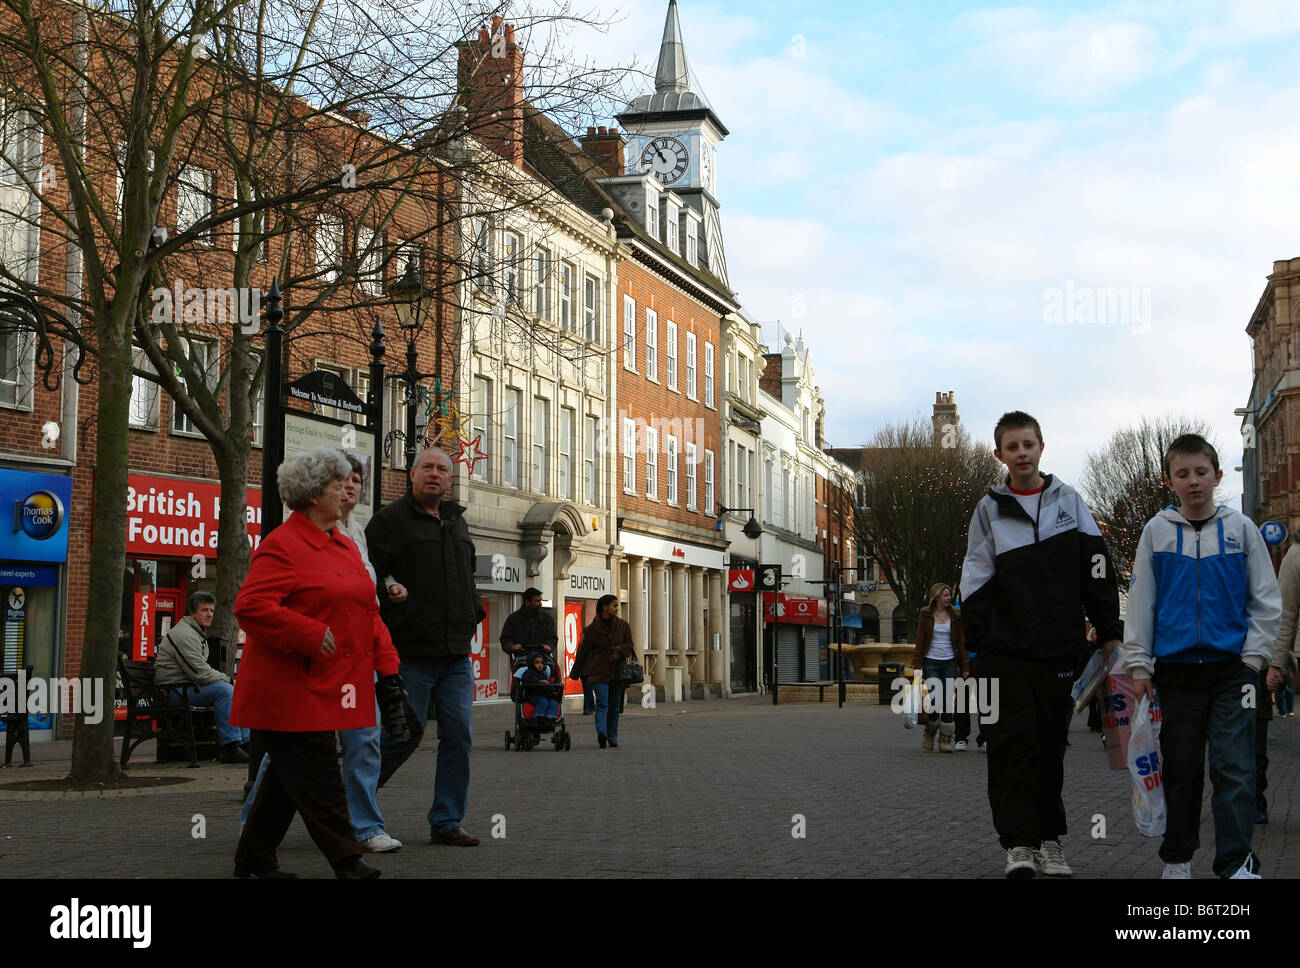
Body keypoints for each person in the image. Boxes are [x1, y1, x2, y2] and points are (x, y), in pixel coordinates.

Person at [231, 446, 410, 879]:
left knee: (285, 783)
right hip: (284, 690)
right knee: (320, 778)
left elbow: (369, 613)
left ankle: (254, 858)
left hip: (329, 685)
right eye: (336, 484)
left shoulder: (344, 545)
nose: (345, 491)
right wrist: (310, 634)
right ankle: (348, 861)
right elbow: (250, 606)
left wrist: (388, 670)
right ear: (312, 494)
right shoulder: (282, 545)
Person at [960, 411, 1121, 878]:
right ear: (1000, 455)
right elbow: (974, 579)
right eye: (1012, 447)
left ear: (1041, 447)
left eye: (1028, 444)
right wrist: (981, 646)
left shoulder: (1070, 501)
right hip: (1005, 657)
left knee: (1050, 748)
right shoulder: (988, 509)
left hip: (1059, 652)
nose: (1022, 453)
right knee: (1011, 746)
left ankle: (1049, 840)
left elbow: (1097, 569)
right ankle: (1018, 845)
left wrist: (1109, 631)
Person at [1123, 434, 1281, 879]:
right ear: (1170, 481)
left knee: (1236, 771)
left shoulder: (1241, 529)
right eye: (1182, 474)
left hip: (1233, 673)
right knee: (1182, 771)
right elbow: (1141, 602)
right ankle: (1178, 859)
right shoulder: (1155, 531)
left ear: (1216, 474)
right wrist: (1140, 665)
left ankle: (1235, 863)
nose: (1193, 481)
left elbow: (1265, 599)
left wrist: (1254, 661)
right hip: (1174, 675)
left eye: (1200, 472)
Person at [366, 446, 485, 847]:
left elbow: (466, 577)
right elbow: (372, 575)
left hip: (454, 655)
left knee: (459, 737)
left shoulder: (457, 522)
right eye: (427, 468)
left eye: (442, 469)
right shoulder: (389, 521)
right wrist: (390, 589)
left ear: (451, 480)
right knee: (400, 737)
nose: (435, 474)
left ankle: (447, 820)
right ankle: (352, 808)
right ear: (412, 475)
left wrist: (474, 611)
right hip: (410, 652)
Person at [154, 591, 250, 764]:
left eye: (211, 610)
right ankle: (230, 747)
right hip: (173, 692)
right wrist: (228, 679)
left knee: (232, 689)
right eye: (204, 610)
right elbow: (198, 672)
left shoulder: (195, 632)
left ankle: (244, 743)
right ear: (192, 612)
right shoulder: (184, 634)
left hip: (183, 687)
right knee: (225, 690)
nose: (209, 615)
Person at [570, 594, 635, 749]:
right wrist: (575, 673)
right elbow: (583, 652)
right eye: (614, 605)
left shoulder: (623, 626)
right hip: (599, 672)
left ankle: (612, 736)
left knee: (614, 707)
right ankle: (602, 733)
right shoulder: (592, 630)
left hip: (617, 673)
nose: (616, 608)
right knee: (602, 704)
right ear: (604, 607)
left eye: (617, 605)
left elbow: (630, 645)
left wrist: (619, 651)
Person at [910, 583, 968, 753]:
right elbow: (920, 641)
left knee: (948, 700)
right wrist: (917, 665)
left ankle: (945, 739)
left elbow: (961, 642)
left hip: (950, 661)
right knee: (935, 699)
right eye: (945, 595)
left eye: (950, 594)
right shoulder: (926, 614)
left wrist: (964, 666)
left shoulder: (956, 615)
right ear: (936, 597)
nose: (949, 597)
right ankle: (930, 731)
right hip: (931, 661)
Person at [500, 588, 557, 659]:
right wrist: (512, 647)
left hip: (542, 659)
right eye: (537, 601)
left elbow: (552, 638)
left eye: (540, 601)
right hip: (521, 659)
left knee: (549, 670)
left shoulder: (547, 618)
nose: (540, 604)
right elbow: (505, 639)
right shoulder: (513, 619)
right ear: (527, 602)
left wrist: (549, 646)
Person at [519, 653, 561, 721]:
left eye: (542, 663)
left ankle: (550, 718)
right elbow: (529, 680)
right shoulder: (529, 673)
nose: (540, 665)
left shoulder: (543, 674)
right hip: (532, 695)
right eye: (537, 662)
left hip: (543, 695)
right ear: (531, 664)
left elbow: (548, 684)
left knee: (554, 702)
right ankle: (538, 716)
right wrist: (539, 681)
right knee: (543, 701)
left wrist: (553, 691)